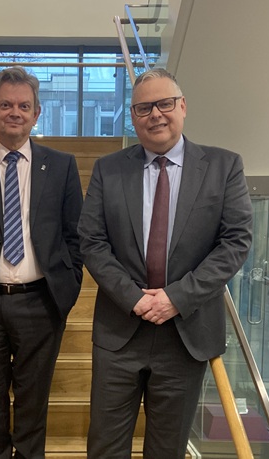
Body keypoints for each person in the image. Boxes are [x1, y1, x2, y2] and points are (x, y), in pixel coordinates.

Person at [78, 68, 253, 458]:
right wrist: (133, 298)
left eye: (165, 103)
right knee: (104, 447)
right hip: (120, 331)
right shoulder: (109, 170)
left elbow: (235, 243)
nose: (155, 114)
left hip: (185, 333)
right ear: (133, 115)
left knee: (167, 449)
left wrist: (175, 297)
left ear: (183, 106)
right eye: (143, 107)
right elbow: (91, 241)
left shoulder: (224, 167)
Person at [0, 66, 83, 459]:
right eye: (5, 105)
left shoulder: (62, 166)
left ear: (37, 113)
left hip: (42, 303)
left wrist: (66, 292)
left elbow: (76, 237)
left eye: (24, 105)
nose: (15, 112)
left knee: (32, 403)